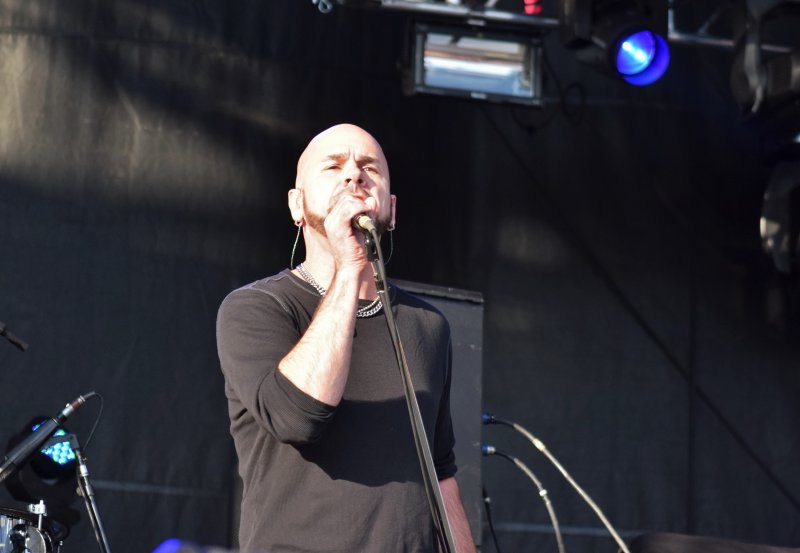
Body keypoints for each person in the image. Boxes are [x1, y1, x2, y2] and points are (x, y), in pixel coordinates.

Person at [216, 124, 476, 553]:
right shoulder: (257, 308)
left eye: (370, 168)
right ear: (297, 205)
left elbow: (441, 473)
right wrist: (351, 265)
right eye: (334, 166)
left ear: (391, 208)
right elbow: (299, 416)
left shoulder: (428, 325)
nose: (354, 175)